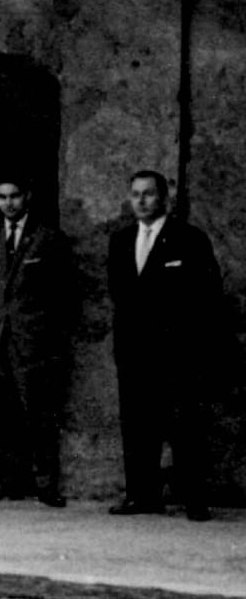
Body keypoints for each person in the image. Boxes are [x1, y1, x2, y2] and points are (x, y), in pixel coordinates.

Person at [107, 170, 223, 521]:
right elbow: (120, 296)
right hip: (134, 352)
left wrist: (193, 346)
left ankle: (194, 500)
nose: (141, 201)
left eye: (149, 194)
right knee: (138, 425)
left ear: (164, 199)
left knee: (185, 426)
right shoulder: (122, 240)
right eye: (135, 194)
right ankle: (141, 495)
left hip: (178, 353)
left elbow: (208, 296)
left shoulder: (188, 239)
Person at [0, 178, 73, 508]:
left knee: (38, 413)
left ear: (27, 196)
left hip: (31, 341)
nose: (9, 204)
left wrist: (47, 336)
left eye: (14, 196)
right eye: (2, 197)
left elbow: (62, 293)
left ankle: (44, 482)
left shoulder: (47, 237)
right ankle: (6, 479)